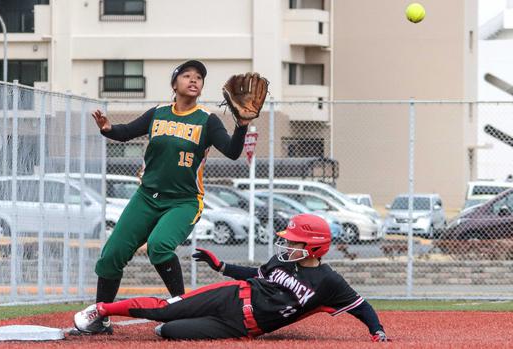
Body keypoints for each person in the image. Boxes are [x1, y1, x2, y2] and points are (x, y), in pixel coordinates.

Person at [80, 60, 251, 335]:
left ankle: (182, 310)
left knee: (159, 245)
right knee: (111, 256)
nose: (194, 80)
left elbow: (231, 151)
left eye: (199, 77)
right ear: (174, 84)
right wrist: (108, 128)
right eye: (187, 76)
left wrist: (241, 125)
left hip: (184, 201)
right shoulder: (158, 113)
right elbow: (126, 132)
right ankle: (100, 318)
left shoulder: (207, 119)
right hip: (147, 197)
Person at [73, 214, 390, 342]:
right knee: (164, 309)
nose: (287, 244)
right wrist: (222, 266)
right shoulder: (280, 260)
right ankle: (101, 309)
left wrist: (377, 332)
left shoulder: (329, 282)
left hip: (241, 326)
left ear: (315, 246)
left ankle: (164, 323)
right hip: (232, 295)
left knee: (168, 331)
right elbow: (257, 275)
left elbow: (362, 307)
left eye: (295, 241)